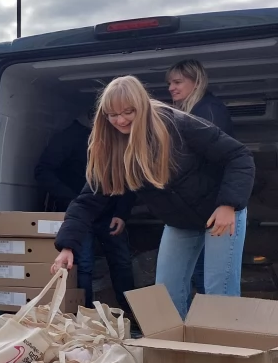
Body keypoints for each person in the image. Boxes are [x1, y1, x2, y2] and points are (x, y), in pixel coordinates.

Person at [52, 76, 254, 318]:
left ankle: (224, 341)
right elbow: (87, 202)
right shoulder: (112, 147)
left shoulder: (177, 124)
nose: (120, 120)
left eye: (128, 112)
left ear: (142, 106)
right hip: (180, 222)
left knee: (218, 291)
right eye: (113, 115)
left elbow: (238, 156)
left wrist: (228, 204)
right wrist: (67, 245)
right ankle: (175, 342)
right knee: (166, 294)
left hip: (219, 211)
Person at [34, 115, 135, 312]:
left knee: (121, 262)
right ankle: (86, 315)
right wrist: (71, 199)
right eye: (112, 116)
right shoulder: (69, 138)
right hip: (82, 212)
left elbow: (129, 180)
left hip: (109, 212)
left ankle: (131, 314)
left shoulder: (119, 139)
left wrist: (122, 212)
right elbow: (43, 171)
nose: (119, 121)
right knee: (84, 265)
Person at [168, 59, 235, 298]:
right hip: (196, 206)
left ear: (196, 82)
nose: (171, 88)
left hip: (213, 205)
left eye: (177, 82)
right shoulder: (188, 113)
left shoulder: (208, 111)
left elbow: (222, 160)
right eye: (170, 83)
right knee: (195, 274)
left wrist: (225, 202)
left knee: (213, 280)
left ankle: (210, 320)